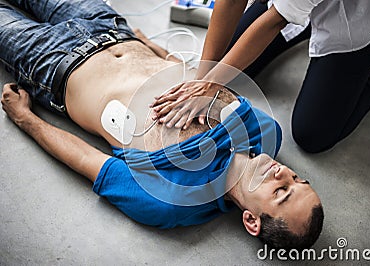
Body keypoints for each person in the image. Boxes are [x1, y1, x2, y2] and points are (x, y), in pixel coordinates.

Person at [0, 0, 323, 249]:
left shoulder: (170, 203)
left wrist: (25, 119)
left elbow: (88, 160)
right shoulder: (266, 130)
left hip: (51, 62)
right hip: (109, 26)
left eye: (281, 192)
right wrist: (152, 46)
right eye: (297, 179)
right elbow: (195, 82)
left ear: (251, 221)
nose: (283, 173)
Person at [151, 0, 370, 153]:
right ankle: (304, 17)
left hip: (349, 15)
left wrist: (208, 87)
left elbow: (274, 21)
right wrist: (201, 81)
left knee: (312, 135)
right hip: (292, 6)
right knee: (229, 64)